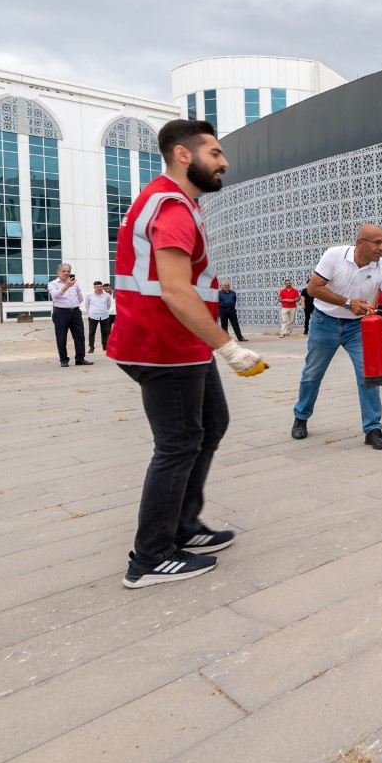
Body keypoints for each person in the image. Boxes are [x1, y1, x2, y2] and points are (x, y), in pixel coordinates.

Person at [107, 118, 268, 588]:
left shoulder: (178, 203)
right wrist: (230, 348)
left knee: (212, 424)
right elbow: (176, 291)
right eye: (215, 153)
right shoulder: (173, 207)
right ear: (184, 155)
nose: (224, 162)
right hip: (162, 346)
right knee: (177, 445)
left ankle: (183, 526)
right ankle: (151, 556)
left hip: (182, 345)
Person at [291, 224, 382, 449]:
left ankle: (373, 428)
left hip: (357, 327)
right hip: (325, 322)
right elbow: (314, 289)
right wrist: (346, 302)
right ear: (361, 242)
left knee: (369, 375)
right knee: (312, 373)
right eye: (378, 243)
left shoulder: (381, 266)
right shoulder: (334, 255)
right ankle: (301, 416)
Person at [48, 264, 91, 367]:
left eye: (68, 271)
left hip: (75, 312)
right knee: (61, 337)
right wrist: (66, 286)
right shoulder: (52, 283)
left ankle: (80, 359)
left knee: (80, 336)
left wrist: (74, 305)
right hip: (61, 313)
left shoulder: (75, 284)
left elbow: (80, 297)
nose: (66, 273)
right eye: (64, 271)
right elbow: (54, 295)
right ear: (58, 272)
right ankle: (64, 359)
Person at [84, 280, 115, 352]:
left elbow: (108, 305)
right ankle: (91, 347)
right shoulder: (89, 295)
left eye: (100, 287)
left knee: (105, 332)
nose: (99, 288)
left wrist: (104, 310)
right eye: (97, 287)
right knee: (92, 332)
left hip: (104, 315)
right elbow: (87, 305)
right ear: (94, 287)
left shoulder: (106, 295)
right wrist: (90, 312)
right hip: (93, 315)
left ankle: (105, 346)